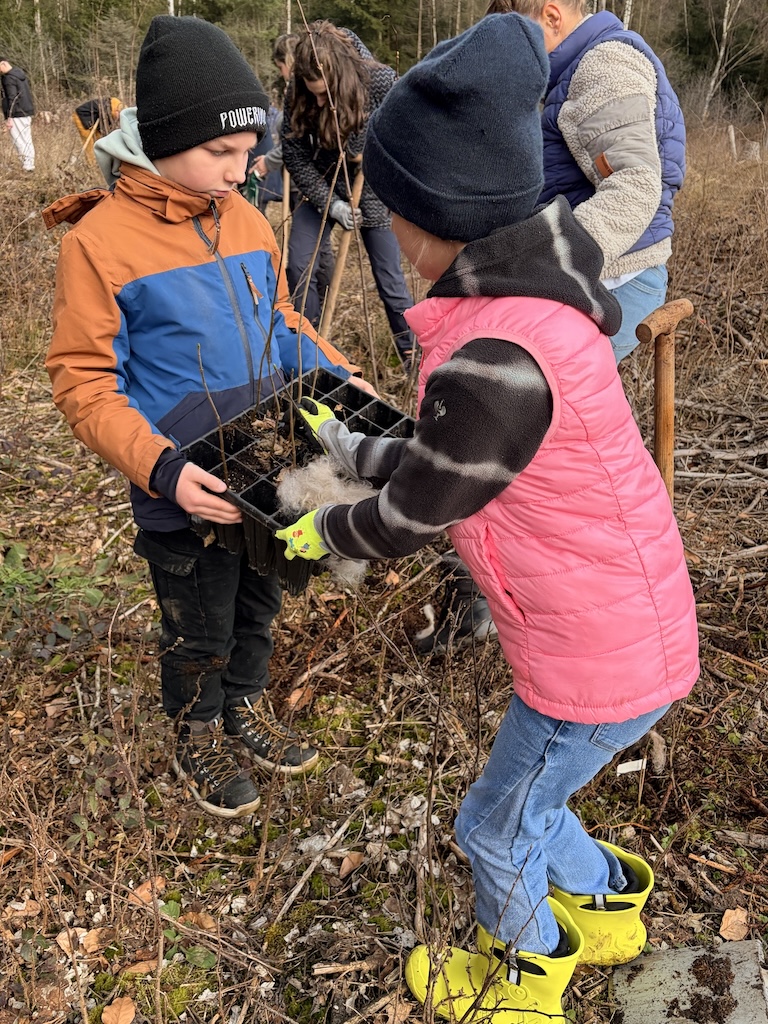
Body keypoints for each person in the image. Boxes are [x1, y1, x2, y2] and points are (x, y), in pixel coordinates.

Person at [275, 13, 699, 1019]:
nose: (383, 216)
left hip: (592, 662)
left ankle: (521, 977)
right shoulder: (524, 311)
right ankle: (602, 913)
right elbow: (449, 459)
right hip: (617, 636)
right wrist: (348, 448)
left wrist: (322, 528)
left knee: (493, 825)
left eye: (393, 201)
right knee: (538, 797)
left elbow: (418, 508)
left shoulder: (495, 357)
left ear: (439, 217)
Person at [44, 15, 371, 820]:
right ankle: (196, 726)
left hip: (264, 470)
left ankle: (244, 706)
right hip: (179, 490)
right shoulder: (99, 244)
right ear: (163, 141)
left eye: (248, 149)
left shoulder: (250, 221)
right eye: (220, 153)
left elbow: (283, 324)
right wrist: (163, 471)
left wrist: (336, 375)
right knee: (200, 622)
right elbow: (83, 382)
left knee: (262, 600)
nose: (244, 166)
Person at [423, 0, 687, 656]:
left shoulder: (604, 65)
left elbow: (633, 191)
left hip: (615, 275)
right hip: (568, 267)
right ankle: (487, 571)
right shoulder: (569, 65)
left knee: (508, 409)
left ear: (549, 12)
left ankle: (517, 597)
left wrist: (535, 265)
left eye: (518, 35)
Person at [282, 21, 416, 369]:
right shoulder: (298, 90)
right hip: (320, 185)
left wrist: (371, 166)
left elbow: (404, 140)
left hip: (371, 186)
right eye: (313, 93)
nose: (318, 100)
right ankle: (306, 353)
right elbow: (293, 152)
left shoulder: (382, 82)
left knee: (390, 279)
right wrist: (333, 203)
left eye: (325, 93)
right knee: (298, 265)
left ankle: (413, 359)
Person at [250, 33, 334, 291]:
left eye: (281, 67)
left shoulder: (303, 90)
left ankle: (316, 297)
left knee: (310, 248)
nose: (282, 72)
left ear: (287, 61)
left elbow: (295, 137)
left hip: (308, 180)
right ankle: (319, 298)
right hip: (302, 177)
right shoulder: (301, 89)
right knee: (319, 245)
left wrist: (270, 161)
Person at [0, 58, 35, 172]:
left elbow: (12, 98)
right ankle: (30, 165)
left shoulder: (8, 78)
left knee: (18, 139)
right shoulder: (19, 74)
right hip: (26, 111)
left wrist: (9, 117)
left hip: (16, 113)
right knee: (27, 139)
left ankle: (27, 166)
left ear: (3, 64)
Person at [72, 96, 124, 164]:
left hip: (92, 119)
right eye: (119, 115)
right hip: (82, 116)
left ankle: (97, 161)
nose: (119, 118)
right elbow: (105, 129)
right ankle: (91, 163)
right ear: (117, 111)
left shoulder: (112, 107)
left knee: (98, 141)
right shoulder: (107, 109)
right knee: (89, 143)